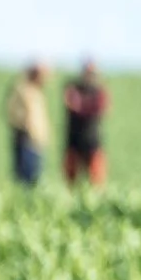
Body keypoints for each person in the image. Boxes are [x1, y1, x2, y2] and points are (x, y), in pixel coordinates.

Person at [2, 61, 51, 186]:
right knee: (24, 178)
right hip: (25, 139)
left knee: (35, 178)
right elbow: (11, 113)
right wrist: (25, 126)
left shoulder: (37, 92)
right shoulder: (21, 90)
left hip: (37, 142)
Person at [63, 59, 111, 187]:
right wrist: (86, 106)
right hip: (74, 141)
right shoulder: (73, 88)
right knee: (71, 180)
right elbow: (72, 104)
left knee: (97, 180)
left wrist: (82, 105)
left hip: (93, 142)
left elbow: (102, 107)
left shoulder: (99, 91)